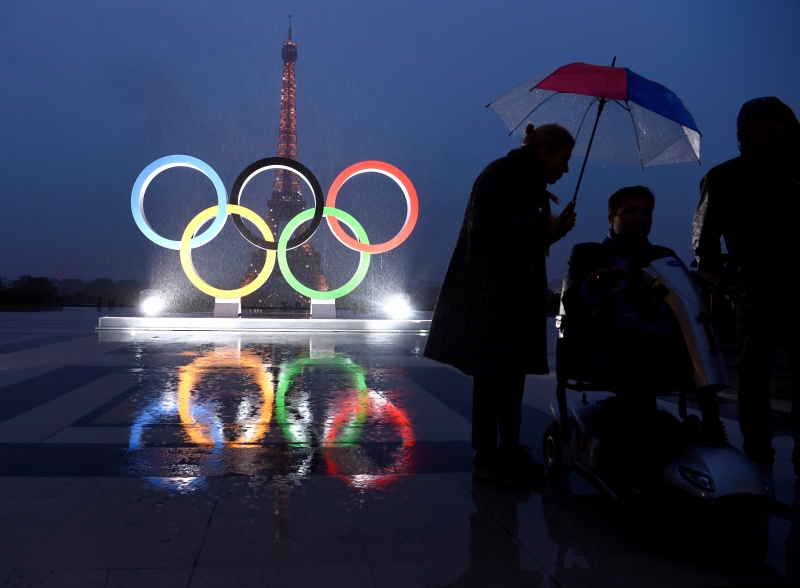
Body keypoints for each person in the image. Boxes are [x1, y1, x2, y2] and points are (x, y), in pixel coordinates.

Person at [424, 123, 577, 484]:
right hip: (493, 296)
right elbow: (487, 225)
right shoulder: (503, 174)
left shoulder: (522, 180)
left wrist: (553, 230)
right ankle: (487, 453)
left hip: (513, 294)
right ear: (543, 153)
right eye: (563, 158)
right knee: (494, 375)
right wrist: (544, 229)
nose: (566, 168)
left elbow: (519, 235)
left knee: (509, 374)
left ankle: (506, 447)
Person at [560, 186, 727, 490]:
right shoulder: (589, 253)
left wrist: (692, 284)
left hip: (661, 341)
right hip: (610, 343)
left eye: (646, 211)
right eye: (631, 211)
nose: (641, 217)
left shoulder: (665, 257)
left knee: (704, 342)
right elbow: (572, 305)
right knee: (635, 348)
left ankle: (713, 433)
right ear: (611, 218)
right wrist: (594, 282)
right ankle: (647, 451)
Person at [693, 97, 800, 483]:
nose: (770, 126)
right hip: (753, 287)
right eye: (761, 121)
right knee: (754, 375)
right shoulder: (723, 178)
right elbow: (704, 240)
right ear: (745, 131)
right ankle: (758, 454)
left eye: (777, 119)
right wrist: (718, 277)